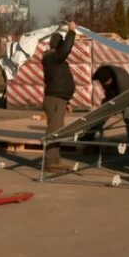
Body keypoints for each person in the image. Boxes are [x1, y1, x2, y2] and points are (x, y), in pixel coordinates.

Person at [41, 21, 76, 173]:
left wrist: (67, 101)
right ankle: (50, 162)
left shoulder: (55, 59)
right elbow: (66, 49)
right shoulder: (52, 57)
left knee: (57, 131)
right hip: (54, 100)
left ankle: (55, 161)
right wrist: (72, 32)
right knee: (53, 131)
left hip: (59, 100)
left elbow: (60, 80)